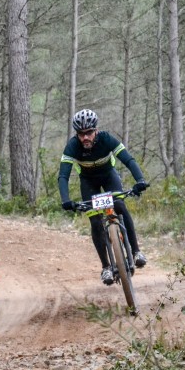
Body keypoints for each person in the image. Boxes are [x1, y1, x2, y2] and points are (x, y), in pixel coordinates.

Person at [58, 109, 149, 285]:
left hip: (109, 176)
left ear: (96, 131)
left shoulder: (107, 139)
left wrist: (140, 180)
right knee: (95, 221)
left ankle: (136, 251)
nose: (85, 137)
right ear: (77, 134)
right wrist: (65, 199)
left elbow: (128, 160)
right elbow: (63, 176)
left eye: (89, 133)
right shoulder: (72, 147)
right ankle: (106, 267)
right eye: (81, 134)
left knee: (120, 206)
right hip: (88, 182)